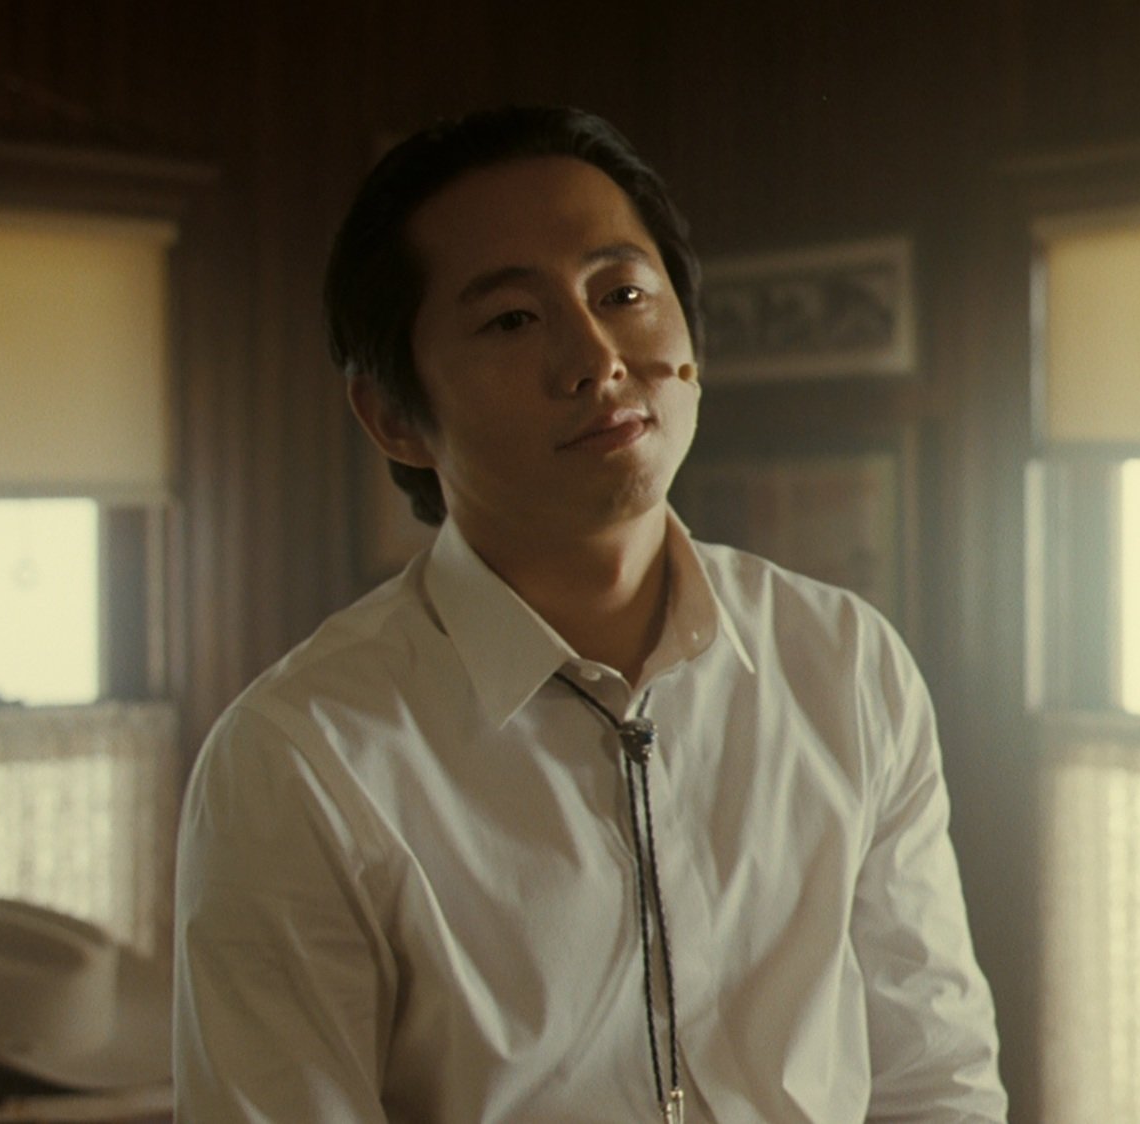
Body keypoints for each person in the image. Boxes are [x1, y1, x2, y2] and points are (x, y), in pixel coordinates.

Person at [172, 105, 1006, 1123]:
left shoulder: (841, 661)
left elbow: (934, 1077)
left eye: (621, 292)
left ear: (690, 337)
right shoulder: (300, 753)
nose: (596, 355)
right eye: (511, 319)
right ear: (394, 415)